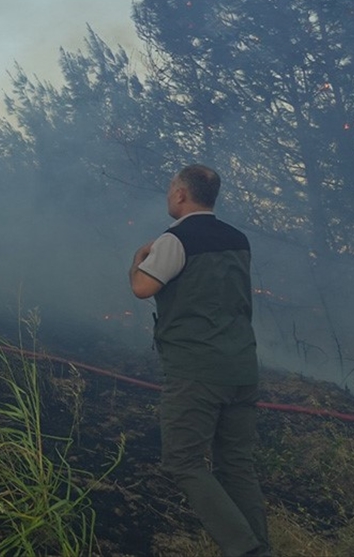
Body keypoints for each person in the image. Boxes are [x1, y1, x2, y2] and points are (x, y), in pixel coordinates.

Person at [129, 164, 270, 557]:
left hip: (197, 372)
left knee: (181, 461)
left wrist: (137, 259)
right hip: (242, 367)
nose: (169, 194)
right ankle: (261, 547)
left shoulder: (175, 240)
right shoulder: (238, 239)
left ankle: (246, 549)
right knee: (236, 465)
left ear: (180, 194)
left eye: (171, 187)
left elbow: (143, 287)